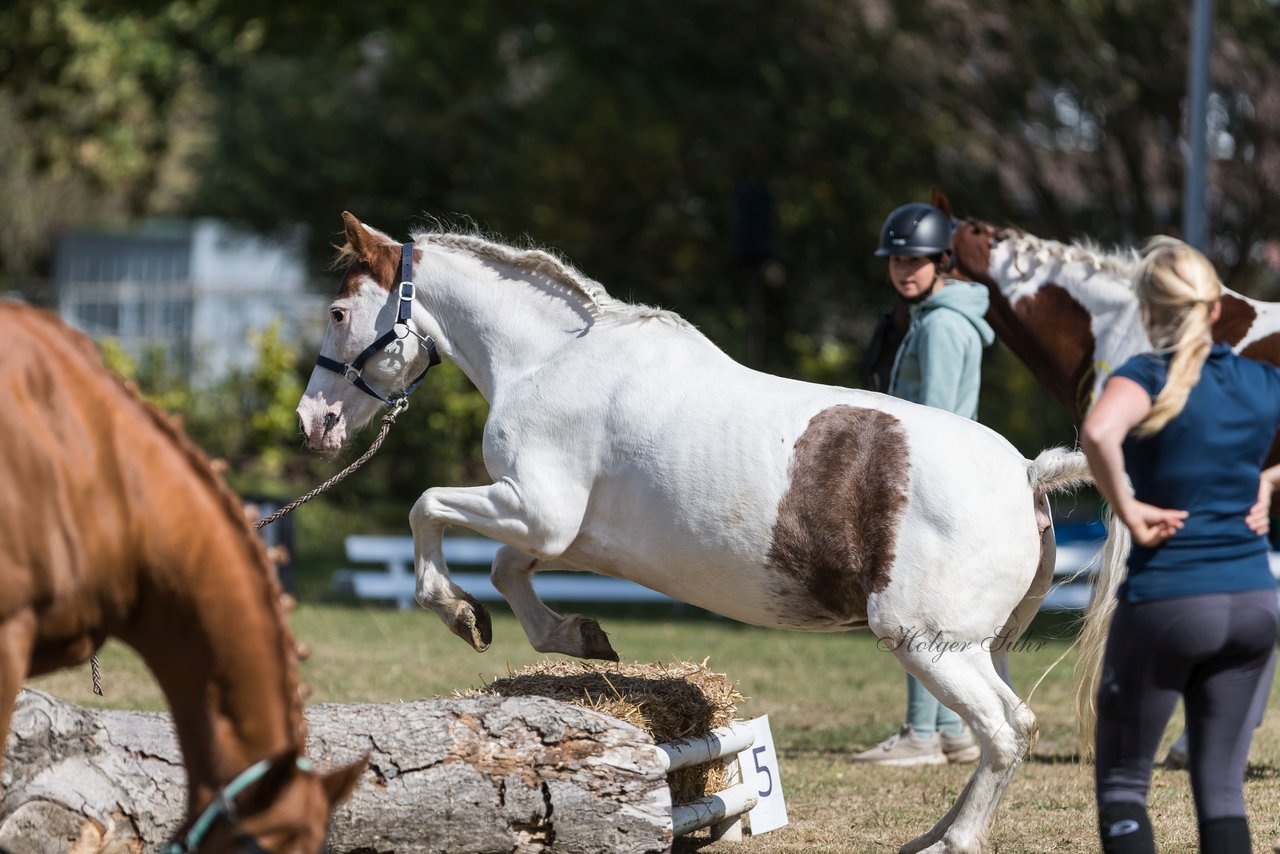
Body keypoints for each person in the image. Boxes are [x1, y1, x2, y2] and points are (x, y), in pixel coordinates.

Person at [1080, 236, 1280, 854]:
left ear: (1147, 312)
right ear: (1217, 308)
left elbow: (1096, 431)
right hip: (1255, 605)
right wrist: (1269, 483)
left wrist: (1130, 509)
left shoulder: (1144, 375)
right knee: (1222, 792)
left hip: (1169, 603)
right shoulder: (1260, 379)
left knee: (1122, 786)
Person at [852, 202, 995, 766]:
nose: (903, 270)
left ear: (940, 261)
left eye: (915, 261)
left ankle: (920, 735)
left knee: (908, 608)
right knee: (937, 610)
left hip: (927, 481)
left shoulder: (939, 326)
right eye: (895, 262)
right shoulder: (940, 317)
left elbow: (933, 418)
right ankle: (953, 733)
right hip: (946, 477)